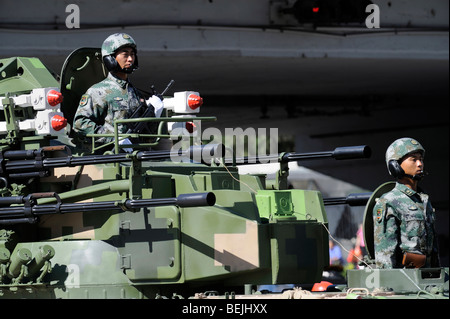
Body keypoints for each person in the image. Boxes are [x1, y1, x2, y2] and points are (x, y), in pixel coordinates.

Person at [73, 33, 161, 150]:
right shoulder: (98, 91)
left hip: (135, 159)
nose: (130, 59)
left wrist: (154, 116)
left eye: (132, 54)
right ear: (111, 59)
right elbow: (80, 124)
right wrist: (114, 138)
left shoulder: (137, 95)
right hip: (108, 159)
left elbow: (149, 138)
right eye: (125, 55)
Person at [373, 137, 440, 269]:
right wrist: (388, 287)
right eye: (414, 159)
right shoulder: (388, 202)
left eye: (421, 159)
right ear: (395, 165)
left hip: (428, 279)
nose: (420, 164)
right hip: (404, 281)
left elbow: (433, 249)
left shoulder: (424, 201)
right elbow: (385, 254)